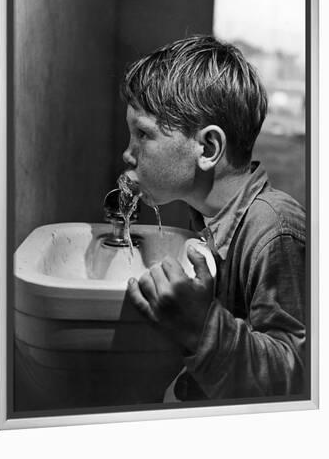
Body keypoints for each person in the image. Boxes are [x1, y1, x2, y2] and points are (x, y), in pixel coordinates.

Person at [122, 35, 306, 400]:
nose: (128, 154)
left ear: (208, 148)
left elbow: (300, 378)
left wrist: (201, 327)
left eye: (143, 134)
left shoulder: (274, 229)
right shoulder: (207, 220)